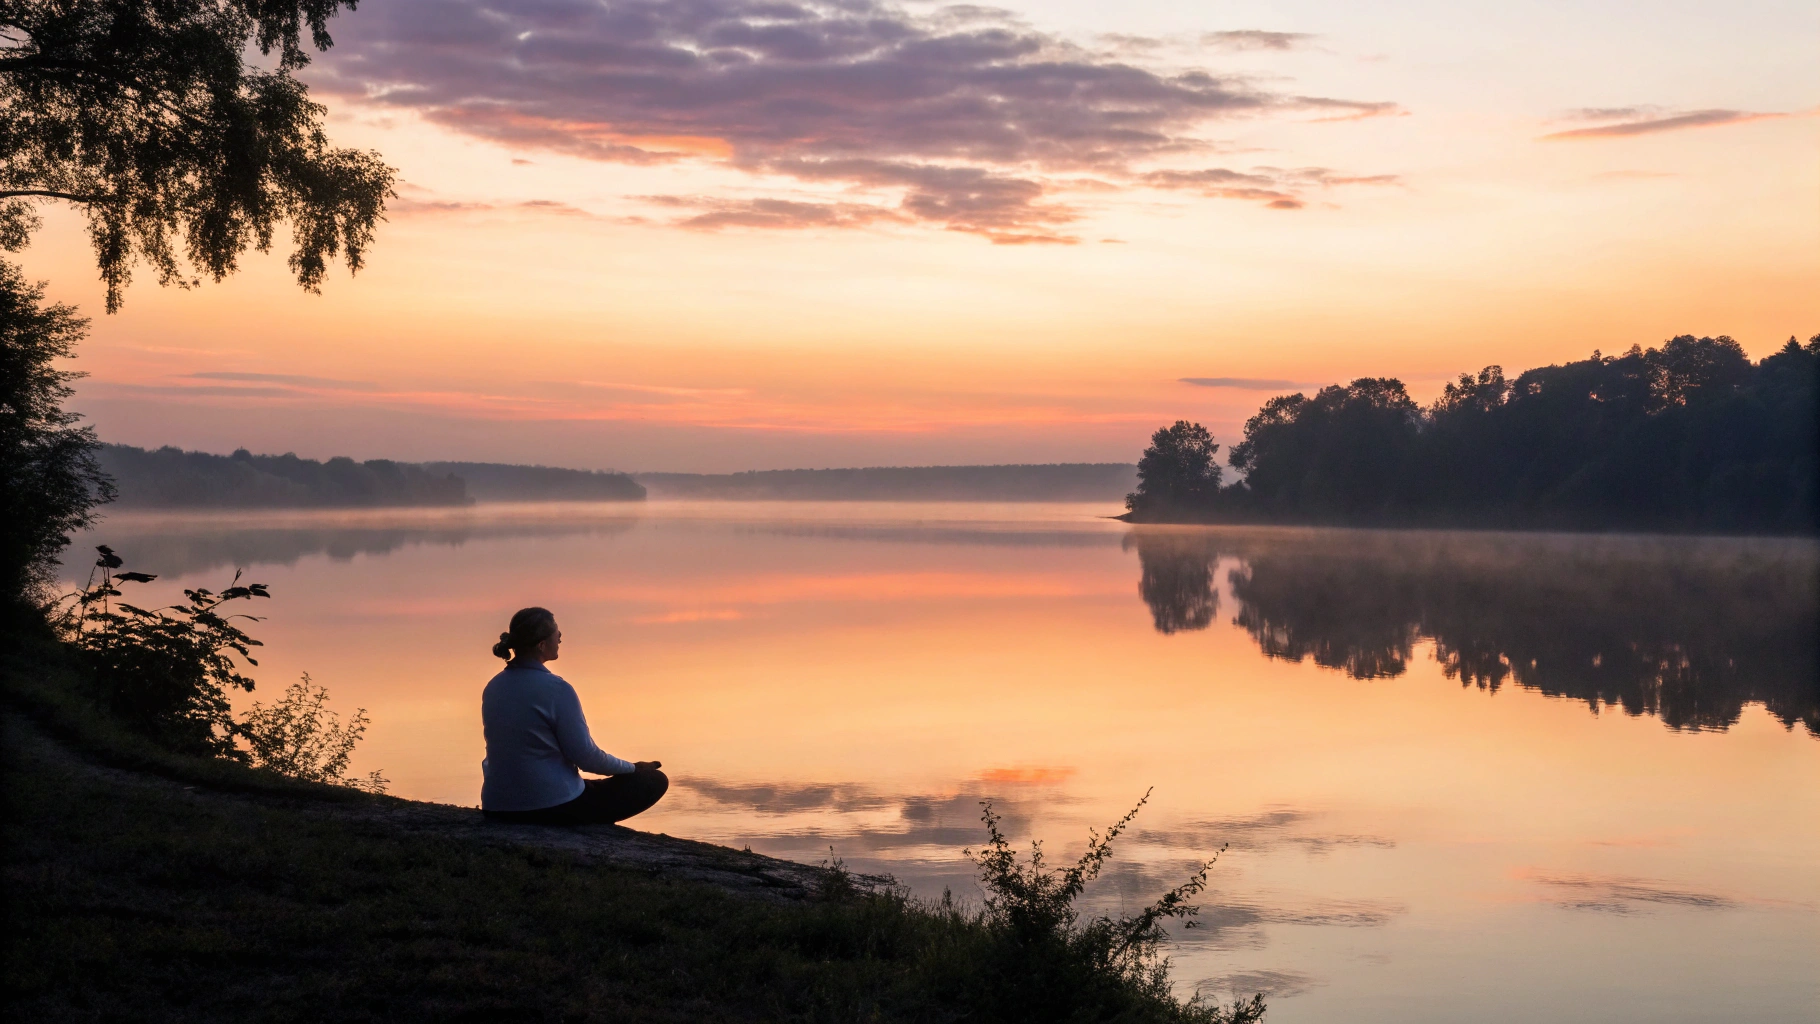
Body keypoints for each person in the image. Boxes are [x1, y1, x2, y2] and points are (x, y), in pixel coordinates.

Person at [480, 607, 668, 825]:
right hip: (549, 807)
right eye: (555, 632)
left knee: (586, 785)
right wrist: (634, 768)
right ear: (541, 645)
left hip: (497, 805)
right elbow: (586, 757)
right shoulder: (557, 689)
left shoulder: (494, 686)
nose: (560, 636)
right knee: (654, 780)